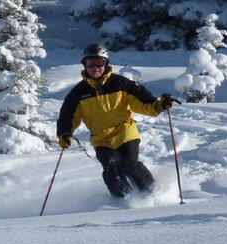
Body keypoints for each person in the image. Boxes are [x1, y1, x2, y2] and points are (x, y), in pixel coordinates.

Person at [56, 44, 177, 198]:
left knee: (128, 162)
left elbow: (144, 103)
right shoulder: (78, 93)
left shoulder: (120, 84)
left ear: (106, 63)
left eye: (98, 62)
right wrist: (64, 134)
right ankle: (123, 200)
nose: (94, 67)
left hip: (124, 132)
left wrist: (160, 104)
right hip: (101, 139)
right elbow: (67, 116)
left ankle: (152, 193)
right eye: (90, 63)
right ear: (84, 65)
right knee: (110, 165)